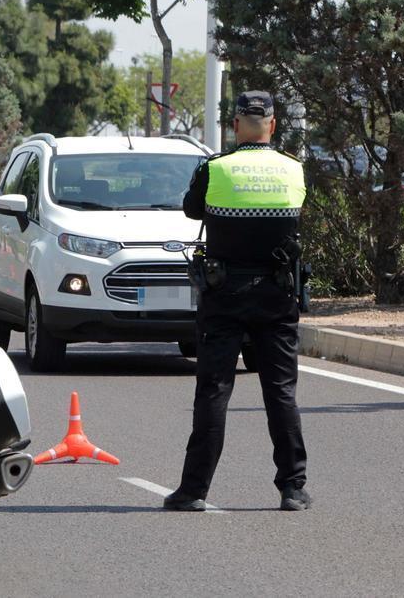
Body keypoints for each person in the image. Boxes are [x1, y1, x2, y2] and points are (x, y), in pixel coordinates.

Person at [165, 91, 310, 513]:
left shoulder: (214, 168)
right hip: (277, 293)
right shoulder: (294, 169)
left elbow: (193, 211)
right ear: (273, 125)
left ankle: (193, 491)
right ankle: (293, 488)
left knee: (214, 390)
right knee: (280, 391)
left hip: (223, 293)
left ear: (234, 126)